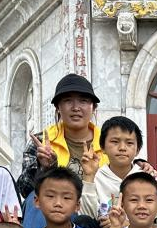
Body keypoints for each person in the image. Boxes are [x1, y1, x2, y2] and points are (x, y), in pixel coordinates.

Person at [16, 73, 105, 202]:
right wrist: (44, 168)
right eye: (68, 100)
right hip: (55, 210)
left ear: (94, 107)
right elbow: (26, 191)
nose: (76, 108)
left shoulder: (109, 142)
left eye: (83, 101)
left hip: (101, 210)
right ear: (58, 107)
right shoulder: (40, 141)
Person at [81, 115, 155, 223]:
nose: (122, 148)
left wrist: (125, 225)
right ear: (102, 147)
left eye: (129, 143)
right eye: (115, 142)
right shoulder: (96, 177)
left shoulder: (147, 176)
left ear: (138, 150)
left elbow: (156, 217)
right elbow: (86, 217)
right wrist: (88, 177)